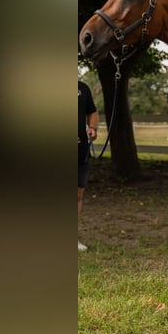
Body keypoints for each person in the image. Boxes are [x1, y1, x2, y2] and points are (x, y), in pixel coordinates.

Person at [79, 80, 99, 251]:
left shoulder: (82, 88)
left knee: (77, 195)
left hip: (81, 151)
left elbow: (92, 112)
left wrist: (92, 127)